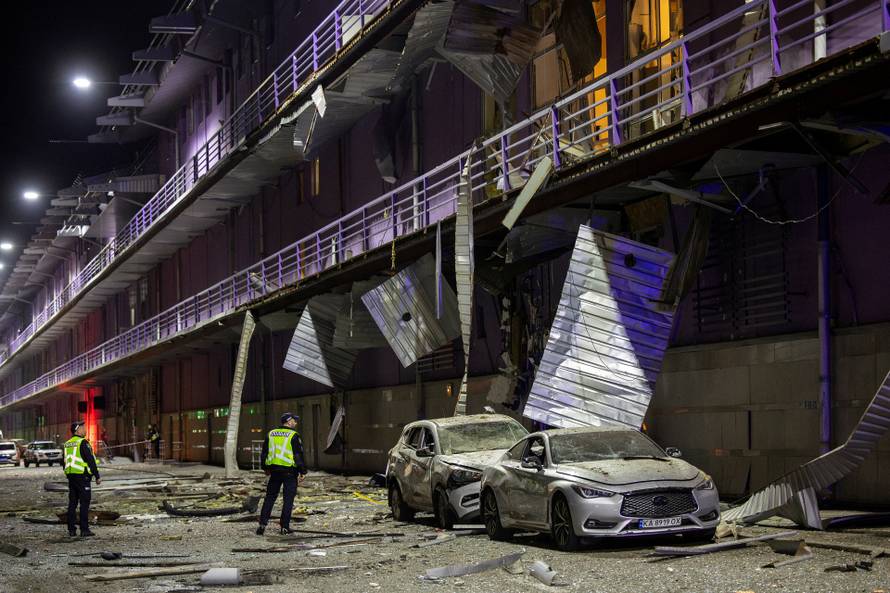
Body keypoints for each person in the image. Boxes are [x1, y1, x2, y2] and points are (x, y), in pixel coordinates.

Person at [256, 413, 307, 535]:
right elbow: (298, 455)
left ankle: (262, 525)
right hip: (290, 472)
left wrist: (265, 468)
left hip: (274, 472)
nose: (296, 423)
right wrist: (303, 471)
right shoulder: (294, 435)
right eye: (294, 420)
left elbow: (264, 453)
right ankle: (284, 527)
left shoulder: (271, 433)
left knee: (269, 498)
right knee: (288, 500)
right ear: (289, 421)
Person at [63, 421, 101, 537]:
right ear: (77, 430)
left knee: (72, 503)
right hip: (82, 476)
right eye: (83, 428)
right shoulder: (83, 442)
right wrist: (97, 475)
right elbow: (91, 460)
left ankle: (71, 529)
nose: (85, 430)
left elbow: (64, 462)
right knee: (84, 503)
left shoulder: (67, 443)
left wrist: (69, 474)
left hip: (71, 476)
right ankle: (84, 530)